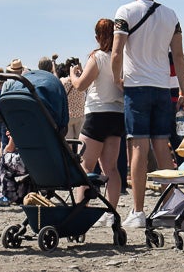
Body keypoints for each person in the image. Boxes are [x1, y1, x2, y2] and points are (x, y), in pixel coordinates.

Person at [112, 0, 184, 229]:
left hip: (136, 86)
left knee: (138, 149)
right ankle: (171, 205)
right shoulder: (171, 15)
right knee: (162, 147)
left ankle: (138, 211)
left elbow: (116, 52)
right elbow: (178, 57)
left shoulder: (124, 13)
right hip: (161, 88)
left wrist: (117, 79)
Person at [72, 18, 125, 219]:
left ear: (97, 37)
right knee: (111, 167)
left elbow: (80, 85)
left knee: (85, 166)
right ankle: (111, 211)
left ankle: (80, 209)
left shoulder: (98, 57)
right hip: (116, 114)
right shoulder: (122, 58)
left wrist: (73, 74)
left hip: (97, 114)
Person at [59, 57, 86, 141]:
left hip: (68, 116)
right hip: (81, 114)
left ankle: (70, 154)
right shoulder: (82, 81)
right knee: (81, 142)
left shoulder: (63, 81)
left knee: (69, 142)